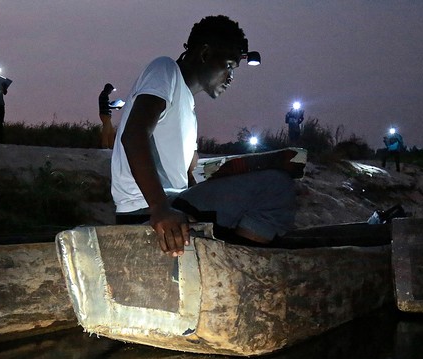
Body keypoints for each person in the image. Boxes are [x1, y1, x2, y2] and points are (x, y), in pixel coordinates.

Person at [111, 15, 297, 257]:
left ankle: (231, 258)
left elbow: (189, 175)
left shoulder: (188, 111)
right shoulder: (165, 70)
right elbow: (134, 135)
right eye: (229, 65)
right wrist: (160, 208)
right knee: (276, 187)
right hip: (145, 208)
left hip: (175, 201)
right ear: (205, 54)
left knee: (272, 188)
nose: (231, 77)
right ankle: (241, 265)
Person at [98, 83, 123, 149]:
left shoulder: (104, 95)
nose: (111, 92)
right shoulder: (104, 95)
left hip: (106, 115)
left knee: (111, 131)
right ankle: (105, 145)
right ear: (108, 89)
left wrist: (113, 104)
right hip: (105, 115)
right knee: (106, 131)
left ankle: (111, 146)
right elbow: (107, 106)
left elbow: (107, 104)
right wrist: (116, 106)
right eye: (111, 90)